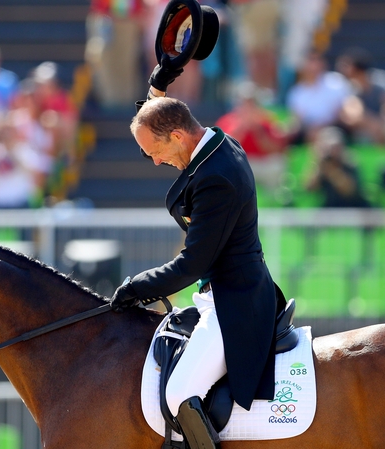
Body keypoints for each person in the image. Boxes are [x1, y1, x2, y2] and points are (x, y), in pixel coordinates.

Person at [110, 96, 279, 448]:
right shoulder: (217, 142)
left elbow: (192, 264)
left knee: (178, 394)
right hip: (220, 292)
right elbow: (162, 121)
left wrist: (136, 288)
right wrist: (153, 97)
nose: (156, 161)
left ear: (177, 135)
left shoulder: (217, 179)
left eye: (156, 152)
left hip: (235, 301)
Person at [215, 81, 287, 196]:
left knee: (278, 164)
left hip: (263, 165)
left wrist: (258, 130)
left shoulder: (266, 120)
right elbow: (224, 150)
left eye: (251, 104)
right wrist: (241, 128)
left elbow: (276, 150)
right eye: (244, 103)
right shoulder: (227, 121)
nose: (247, 107)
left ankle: (275, 199)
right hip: (240, 165)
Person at [336, 48, 385, 144]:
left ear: (354, 67)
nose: (341, 70)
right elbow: (350, 117)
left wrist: (380, 126)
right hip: (365, 132)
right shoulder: (349, 87)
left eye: (345, 66)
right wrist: (371, 123)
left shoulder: (383, 82)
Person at [286, 51, 353, 143]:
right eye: (311, 60)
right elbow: (296, 120)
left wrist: (322, 127)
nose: (314, 65)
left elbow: (345, 113)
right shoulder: (296, 93)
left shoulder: (337, 83)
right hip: (307, 132)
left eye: (317, 60)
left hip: (334, 129)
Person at [305, 126, 370, 208]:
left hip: (352, 207)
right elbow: (309, 188)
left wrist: (332, 171)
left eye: (335, 147)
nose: (331, 151)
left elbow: (349, 192)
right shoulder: (321, 164)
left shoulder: (350, 163)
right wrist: (317, 164)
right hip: (329, 208)